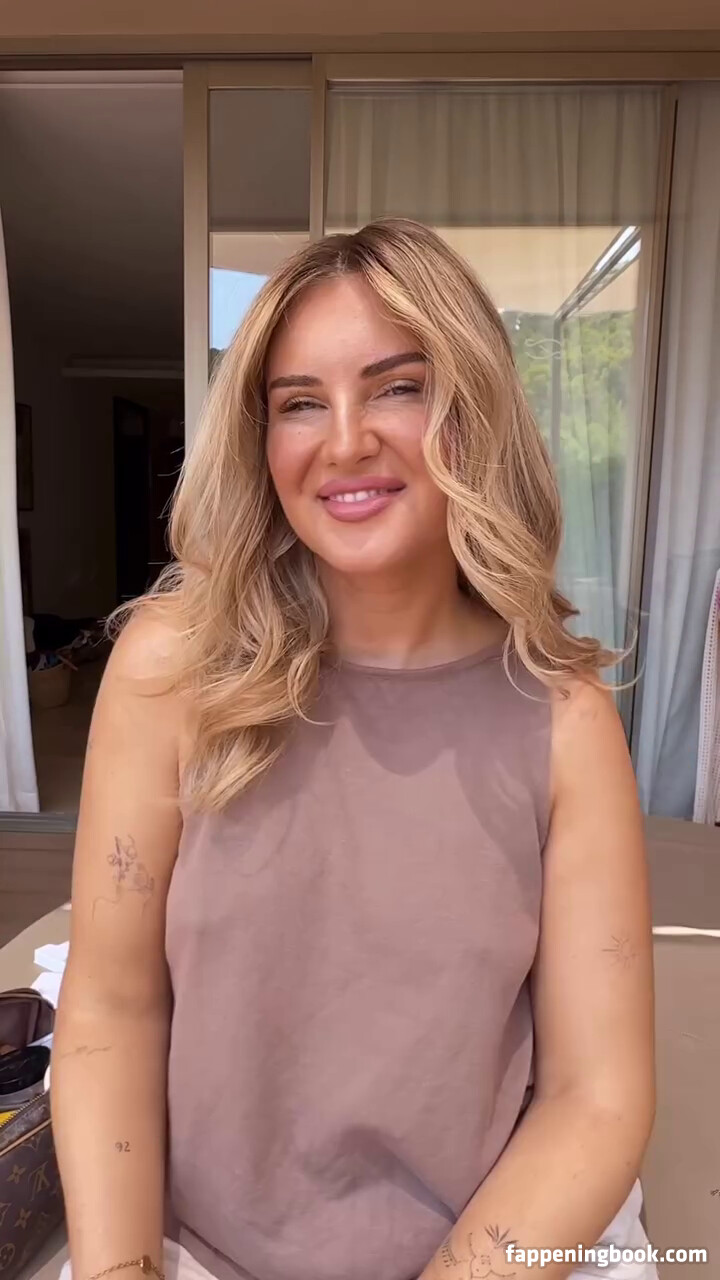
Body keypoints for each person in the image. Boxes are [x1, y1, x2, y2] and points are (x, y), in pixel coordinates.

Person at [52, 220, 657, 1280]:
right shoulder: (168, 668)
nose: (343, 442)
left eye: (397, 388)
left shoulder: (565, 716)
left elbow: (595, 1096)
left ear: (474, 412)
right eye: (299, 402)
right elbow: (110, 1008)